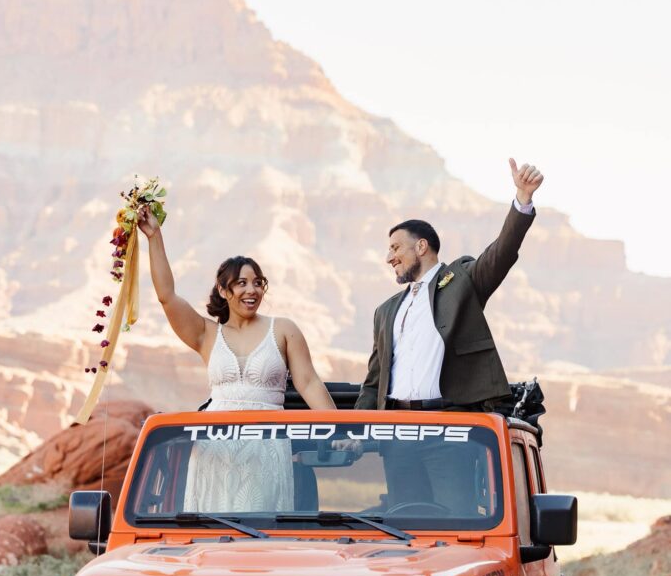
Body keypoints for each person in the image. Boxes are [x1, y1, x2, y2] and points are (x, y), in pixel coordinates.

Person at [355, 158, 543, 508]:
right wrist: (356, 429)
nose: (389, 258)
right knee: (406, 522)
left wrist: (522, 200)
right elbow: (374, 378)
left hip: (448, 429)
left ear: (422, 246)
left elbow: (500, 254)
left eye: (395, 247)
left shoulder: (462, 282)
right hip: (396, 433)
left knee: (457, 517)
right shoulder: (386, 311)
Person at [137, 209, 335, 512]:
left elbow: (308, 382)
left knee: (261, 531)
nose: (251, 289)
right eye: (241, 283)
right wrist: (154, 237)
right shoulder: (205, 333)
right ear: (223, 290)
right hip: (215, 447)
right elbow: (167, 296)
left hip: (266, 446)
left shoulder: (283, 329)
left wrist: (339, 429)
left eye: (257, 282)